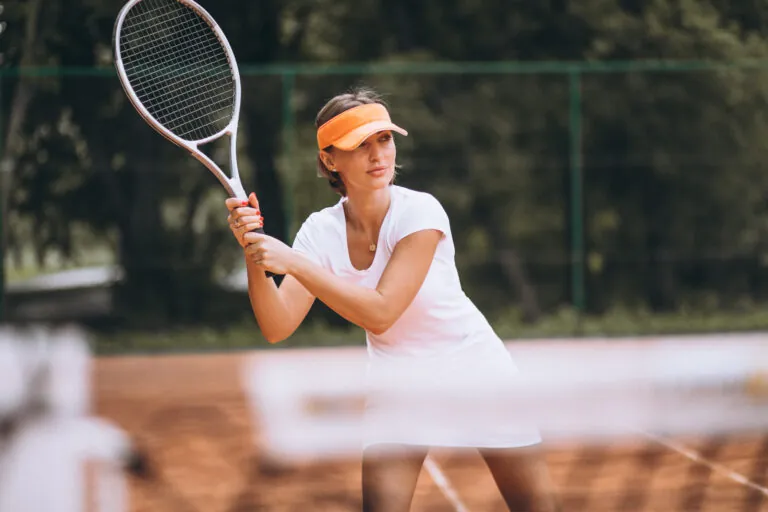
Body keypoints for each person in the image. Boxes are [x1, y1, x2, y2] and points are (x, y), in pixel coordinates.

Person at [226, 87, 560, 512]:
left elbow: (382, 313)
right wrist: (254, 253)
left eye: (383, 139)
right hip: (397, 387)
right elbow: (277, 325)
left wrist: (295, 263)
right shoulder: (319, 231)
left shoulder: (421, 212)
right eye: (359, 146)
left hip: (478, 374)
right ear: (330, 160)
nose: (377, 155)